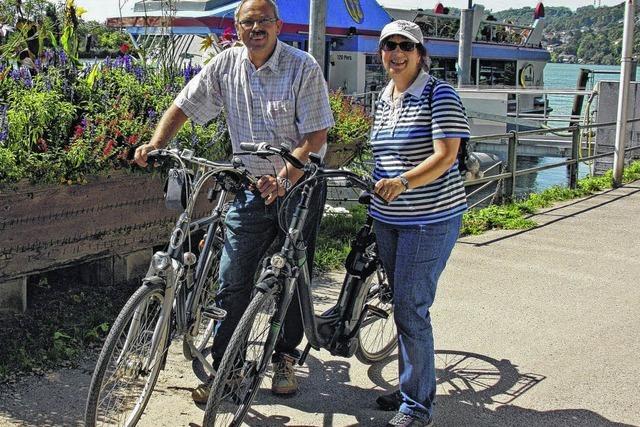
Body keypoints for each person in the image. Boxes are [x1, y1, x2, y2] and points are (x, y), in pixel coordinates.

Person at [134, 0, 334, 402]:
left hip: (299, 183)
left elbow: (315, 138)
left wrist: (283, 177)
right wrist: (156, 143)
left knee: (292, 272)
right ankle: (228, 367)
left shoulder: (302, 67)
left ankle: (284, 355)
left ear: (278, 26)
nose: (256, 27)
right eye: (248, 21)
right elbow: (183, 106)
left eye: (264, 21)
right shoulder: (226, 66)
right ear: (238, 28)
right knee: (232, 277)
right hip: (249, 184)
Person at [369, 20, 470, 427]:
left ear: (419, 53)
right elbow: (382, 154)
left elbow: (446, 155)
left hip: (429, 219)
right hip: (387, 218)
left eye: (404, 46)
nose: (395, 53)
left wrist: (403, 181)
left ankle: (417, 405)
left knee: (411, 307)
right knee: (402, 304)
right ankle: (415, 382)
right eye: (388, 46)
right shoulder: (385, 95)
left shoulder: (438, 94)